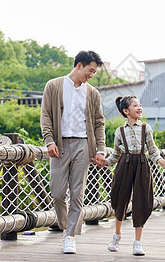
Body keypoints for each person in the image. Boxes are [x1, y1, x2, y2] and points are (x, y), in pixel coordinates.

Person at [40, 50, 107, 254]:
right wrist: (49, 140)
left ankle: (70, 235)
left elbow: (98, 122)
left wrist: (101, 149)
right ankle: (64, 226)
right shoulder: (53, 85)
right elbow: (46, 116)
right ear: (79, 65)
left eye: (94, 72)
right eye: (90, 70)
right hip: (59, 146)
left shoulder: (92, 92)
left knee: (77, 192)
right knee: (58, 192)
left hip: (84, 145)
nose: (91, 75)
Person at [104, 95, 165, 256]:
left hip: (142, 165)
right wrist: (104, 162)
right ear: (126, 111)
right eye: (135, 105)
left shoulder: (146, 128)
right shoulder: (119, 131)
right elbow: (115, 155)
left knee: (141, 201)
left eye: (140, 105)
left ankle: (137, 242)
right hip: (124, 165)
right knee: (119, 199)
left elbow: (153, 150)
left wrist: (161, 161)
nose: (140, 108)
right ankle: (117, 235)